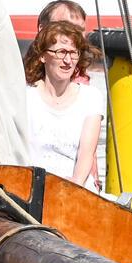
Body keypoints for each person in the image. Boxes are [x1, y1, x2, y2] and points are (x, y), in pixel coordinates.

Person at [25, 19, 107, 193]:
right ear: (42, 56)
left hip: (77, 190)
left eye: (73, 53)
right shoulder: (25, 96)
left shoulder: (91, 97)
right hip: (33, 190)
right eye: (61, 52)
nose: (68, 60)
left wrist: (74, 185)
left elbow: (86, 153)